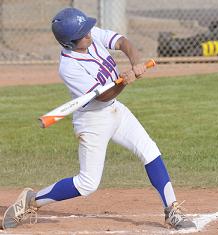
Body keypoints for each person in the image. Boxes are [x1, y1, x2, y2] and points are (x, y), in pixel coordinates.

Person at [2, 8, 196, 231]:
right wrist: (123, 81)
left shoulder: (89, 35)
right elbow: (103, 96)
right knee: (87, 184)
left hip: (116, 110)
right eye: (83, 33)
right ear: (70, 42)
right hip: (92, 121)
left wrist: (135, 63)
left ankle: (172, 210)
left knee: (150, 150)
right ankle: (33, 200)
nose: (89, 34)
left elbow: (122, 42)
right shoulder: (69, 67)